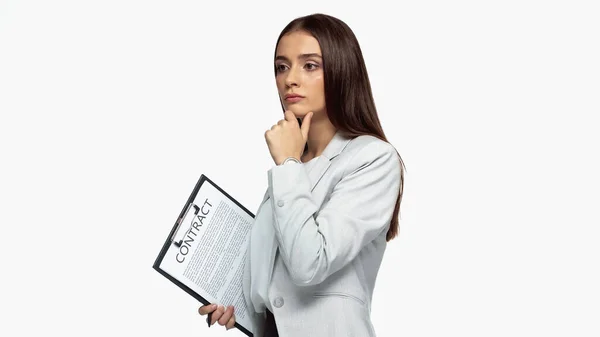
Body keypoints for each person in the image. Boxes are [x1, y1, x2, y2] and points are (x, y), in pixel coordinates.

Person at [198, 12, 406, 336]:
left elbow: (309, 264)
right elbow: (276, 292)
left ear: (341, 70)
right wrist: (239, 307)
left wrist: (287, 164)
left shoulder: (373, 158)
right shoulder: (295, 162)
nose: (290, 79)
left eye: (309, 65)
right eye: (282, 66)